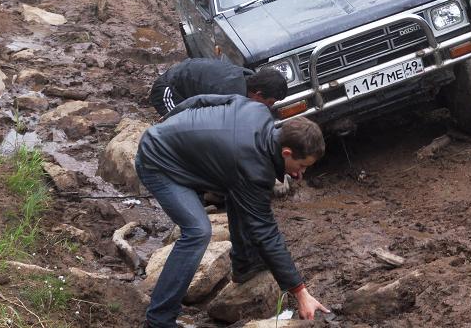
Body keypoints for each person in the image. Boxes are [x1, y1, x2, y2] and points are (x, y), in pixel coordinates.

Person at [136, 97, 329, 327]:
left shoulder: (258, 110)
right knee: (198, 231)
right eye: (302, 166)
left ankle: (245, 265)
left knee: (239, 194)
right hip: (157, 162)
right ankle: (159, 318)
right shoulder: (253, 167)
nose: (300, 174)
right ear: (286, 152)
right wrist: (300, 291)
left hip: (172, 145)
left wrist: (170, 122)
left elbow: (201, 100)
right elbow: (265, 232)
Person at [148, 56, 287, 117]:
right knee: (182, 126)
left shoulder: (248, 78)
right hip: (169, 90)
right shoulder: (226, 94)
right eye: (269, 102)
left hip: (191, 80)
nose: (269, 107)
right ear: (258, 94)